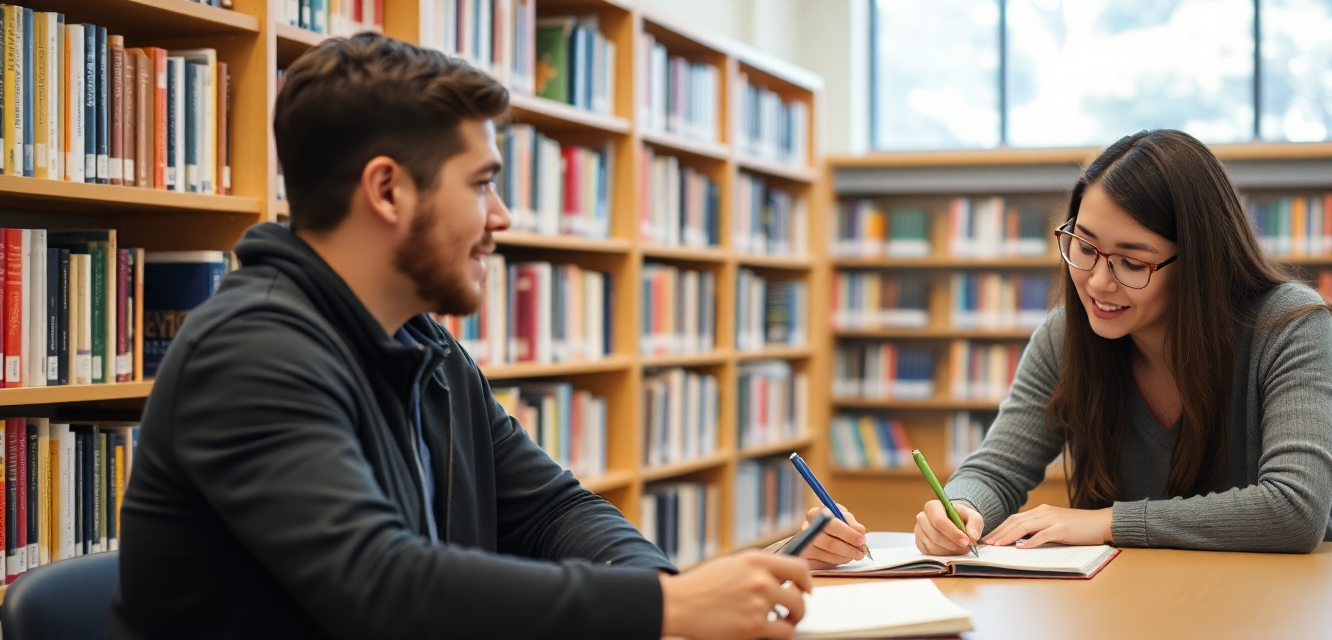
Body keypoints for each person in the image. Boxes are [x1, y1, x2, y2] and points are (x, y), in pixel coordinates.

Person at [110, 33, 810, 640]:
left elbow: (552, 510)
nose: (501, 217)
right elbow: (379, 583)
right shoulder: (251, 352)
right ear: (388, 191)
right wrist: (667, 605)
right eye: (480, 185)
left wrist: (663, 589)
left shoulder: (424, 350)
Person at [799, 129, 1332, 568]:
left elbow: (1294, 509)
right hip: (1136, 597)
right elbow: (995, 471)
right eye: (1083, 247)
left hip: (1293, 598)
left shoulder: (1288, 324)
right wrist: (961, 509)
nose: (1098, 283)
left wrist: (1107, 522)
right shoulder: (1066, 336)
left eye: (1131, 262)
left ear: (1200, 261)